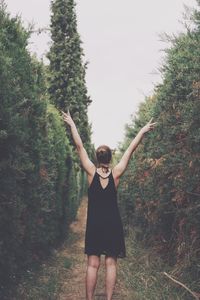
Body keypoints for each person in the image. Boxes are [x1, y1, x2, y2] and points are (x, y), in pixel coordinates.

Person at [62, 110, 156, 300]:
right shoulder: (116, 173)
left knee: (92, 264)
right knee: (111, 264)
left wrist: (72, 124)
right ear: (110, 158)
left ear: (97, 158)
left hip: (95, 224)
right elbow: (130, 149)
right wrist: (142, 131)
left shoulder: (90, 172)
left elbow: (79, 146)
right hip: (113, 223)